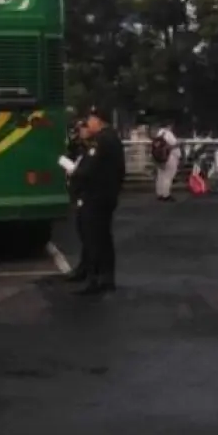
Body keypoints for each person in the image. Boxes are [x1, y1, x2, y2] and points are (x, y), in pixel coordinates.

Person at [69, 105, 125, 296]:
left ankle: (96, 279)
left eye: (90, 120)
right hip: (105, 195)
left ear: (99, 121)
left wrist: (74, 173)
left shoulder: (102, 140)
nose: (87, 123)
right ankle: (103, 277)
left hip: (96, 197)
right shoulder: (109, 139)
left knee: (94, 238)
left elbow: (90, 169)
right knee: (102, 238)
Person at [63, 121, 93, 283]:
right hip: (80, 195)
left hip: (89, 197)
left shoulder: (92, 148)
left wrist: (74, 171)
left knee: (90, 236)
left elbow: (87, 171)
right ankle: (84, 268)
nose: (80, 131)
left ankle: (90, 271)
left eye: (83, 128)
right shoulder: (79, 146)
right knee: (84, 234)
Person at [151, 122, 181, 202]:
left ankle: (160, 193)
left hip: (160, 158)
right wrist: (180, 143)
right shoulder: (168, 133)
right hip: (169, 157)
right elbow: (174, 144)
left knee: (161, 176)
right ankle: (166, 195)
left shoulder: (159, 134)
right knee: (168, 176)